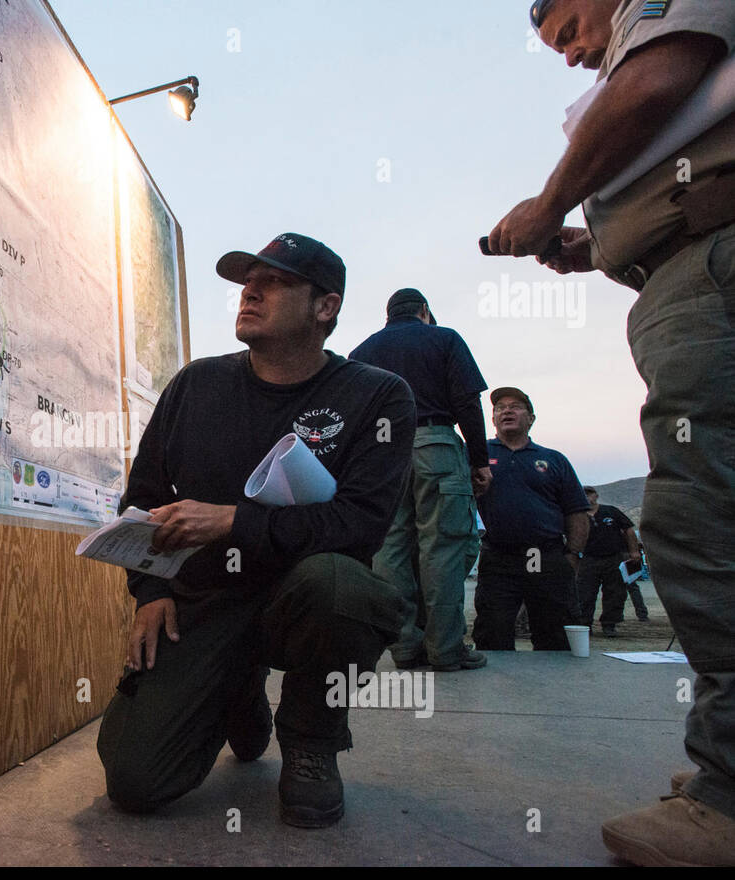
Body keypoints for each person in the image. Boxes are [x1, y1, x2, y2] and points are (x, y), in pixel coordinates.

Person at [491, 0, 735, 865]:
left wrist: (550, 198)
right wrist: (590, 242)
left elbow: (657, 82)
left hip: (710, 271)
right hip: (679, 267)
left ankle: (728, 791)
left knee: (705, 518)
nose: (567, 56)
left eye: (566, 32)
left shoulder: (657, 19)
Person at [95, 233, 414, 828]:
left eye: (274, 282)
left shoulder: (377, 396)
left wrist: (233, 521)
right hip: (204, 600)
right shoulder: (196, 385)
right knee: (136, 781)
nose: (250, 292)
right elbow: (142, 500)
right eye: (248, 282)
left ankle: (313, 740)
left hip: (303, 596)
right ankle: (236, 690)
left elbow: (360, 524)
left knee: (343, 587)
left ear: (325, 307)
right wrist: (151, 591)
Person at [351, 289, 491, 671]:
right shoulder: (444, 338)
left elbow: (353, 416)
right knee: (442, 545)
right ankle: (446, 649)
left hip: (381, 454)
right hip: (434, 443)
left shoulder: (361, 353)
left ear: (388, 315)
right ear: (424, 311)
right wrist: (480, 460)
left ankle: (404, 647)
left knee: (391, 548)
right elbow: (467, 401)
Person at [471, 388, 591, 651]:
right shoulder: (476, 456)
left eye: (515, 406)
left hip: (546, 555)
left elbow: (576, 510)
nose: (506, 411)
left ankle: (554, 691)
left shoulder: (553, 459)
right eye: (500, 408)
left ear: (531, 418)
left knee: (555, 636)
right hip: (499, 557)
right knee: (492, 634)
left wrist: (573, 554)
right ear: (493, 420)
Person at [577, 485, 641, 636]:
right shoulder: (578, 516)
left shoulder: (610, 511)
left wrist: (634, 551)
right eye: (583, 494)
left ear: (596, 496)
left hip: (613, 557)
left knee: (615, 593)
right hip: (588, 558)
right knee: (584, 593)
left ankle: (609, 625)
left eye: (590, 494)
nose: (587, 497)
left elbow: (629, 529)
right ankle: (585, 624)